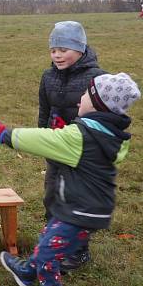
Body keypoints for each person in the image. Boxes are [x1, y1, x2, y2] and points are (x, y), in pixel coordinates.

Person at [0, 72, 141, 286]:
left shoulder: (81, 136)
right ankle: (27, 273)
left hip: (81, 210)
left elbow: (44, 140)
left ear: (97, 104)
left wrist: (6, 134)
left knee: (49, 256)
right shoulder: (108, 134)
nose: (80, 98)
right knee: (48, 238)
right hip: (84, 206)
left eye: (85, 94)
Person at [37, 21, 105, 273]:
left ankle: (78, 251)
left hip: (82, 152)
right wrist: (43, 140)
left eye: (63, 49)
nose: (57, 54)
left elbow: (103, 118)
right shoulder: (48, 77)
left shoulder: (97, 78)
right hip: (56, 147)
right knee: (52, 195)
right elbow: (44, 111)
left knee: (76, 199)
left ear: (80, 49)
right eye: (53, 49)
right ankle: (53, 243)